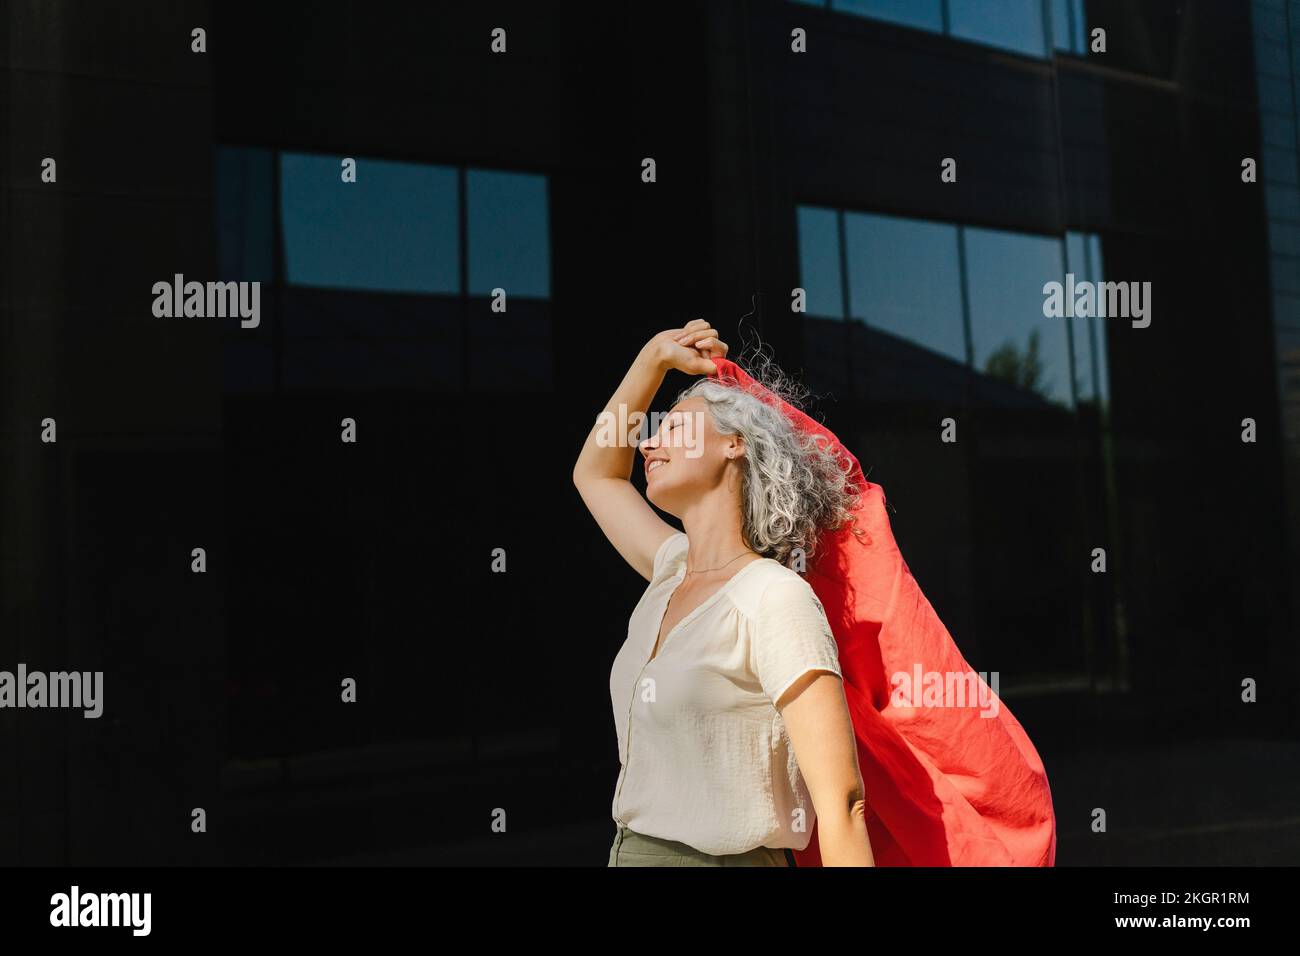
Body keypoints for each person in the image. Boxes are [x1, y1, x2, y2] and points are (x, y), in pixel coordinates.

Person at [573, 319, 876, 867]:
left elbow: (842, 803)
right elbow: (596, 475)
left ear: (736, 444)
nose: (647, 442)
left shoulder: (773, 597)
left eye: (674, 428)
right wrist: (651, 360)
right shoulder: (671, 569)